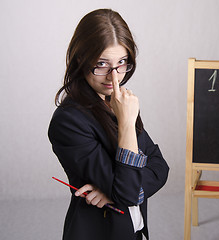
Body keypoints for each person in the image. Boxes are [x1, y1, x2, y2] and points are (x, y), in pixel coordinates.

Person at [48, 9, 169, 240]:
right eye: (102, 64)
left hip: (134, 231)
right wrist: (125, 123)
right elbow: (128, 191)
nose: (114, 77)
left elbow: (160, 166)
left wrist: (117, 193)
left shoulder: (118, 102)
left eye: (122, 62)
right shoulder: (68, 122)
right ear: (81, 59)